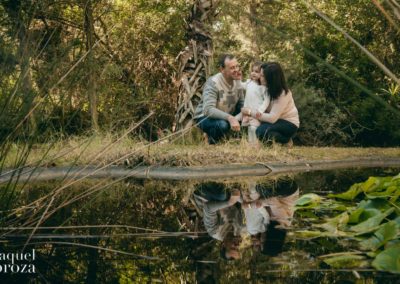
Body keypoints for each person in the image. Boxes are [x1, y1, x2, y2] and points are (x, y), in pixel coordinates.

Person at [241, 62, 299, 145]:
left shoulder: (283, 93)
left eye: (262, 76)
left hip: (288, 123)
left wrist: (250, 112)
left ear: (271, 78)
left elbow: (272, 118)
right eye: (260, 74)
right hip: (274, 121)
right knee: (258, 128)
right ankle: (257, 142)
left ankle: (286, 140)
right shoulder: (265, 88)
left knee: (261, 131)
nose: (260, 77)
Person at [194, 54, 245, 144]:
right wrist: (230, 118)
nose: (236, 70)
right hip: (204, 117)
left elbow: (241, 105)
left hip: (227, 116)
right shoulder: (213, 82)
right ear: (222, 70)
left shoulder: (238, 81)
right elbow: (208, 110)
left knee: (248, 120)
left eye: (237, 66)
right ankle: (212, 142)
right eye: (232, 68)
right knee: (222, 125)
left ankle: (231, 140)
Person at [193, 184, 243, 260]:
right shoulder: (238, 230)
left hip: (204, 196)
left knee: (222, 195)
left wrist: (229, 202)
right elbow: (238, 206)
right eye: (237, 249)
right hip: (228, 195)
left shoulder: (214, 231)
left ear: (223, 245)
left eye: (233, 248)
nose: (236, 245)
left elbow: (208, 208)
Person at [240, 61, 269, 145]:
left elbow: (266, 101)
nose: (253, 73)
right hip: (248, 111)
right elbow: (241, 85)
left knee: (254, 127)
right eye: (252, 71)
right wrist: (238, 79)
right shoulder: (249, 82)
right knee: (250, 127)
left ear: (262, 74)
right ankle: (250, 144)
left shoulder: (263, 87)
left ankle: (256, 144)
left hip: (256, 112)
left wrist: (260, 110)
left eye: (257, 72)